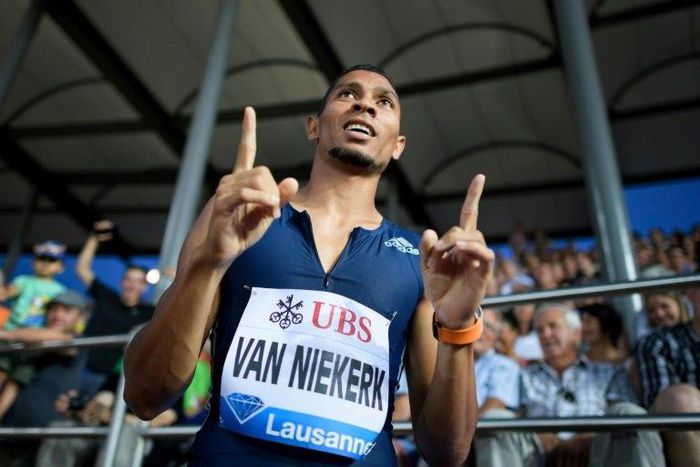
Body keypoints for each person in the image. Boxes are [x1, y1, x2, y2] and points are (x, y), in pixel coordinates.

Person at [124, 65, 494, 466]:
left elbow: (448, 453)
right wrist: (205, 266)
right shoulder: (244, 215)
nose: (365, 105)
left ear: (398, 144)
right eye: (348, 95)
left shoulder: (419, 257)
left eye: (383, 102)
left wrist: (459, 330)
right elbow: (145, 397)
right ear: (313, 126)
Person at [476, 302, 664, 467]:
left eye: (552, 326)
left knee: (629, 414)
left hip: (596, 451)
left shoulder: (609, 373)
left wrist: (585, 438)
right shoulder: (524, 376)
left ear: (576, 333)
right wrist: (542, 435)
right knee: (496, 419)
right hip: (539, 454)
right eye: (539, 330)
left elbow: (621, 410)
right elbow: (516, 415)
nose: (545, 334)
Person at [0, 291, 90, 467]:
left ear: (80, 318)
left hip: (43, 442)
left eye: (67, 310)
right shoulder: (32, 346)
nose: (58, 314)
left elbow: (58, 338)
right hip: (8, 434)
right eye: (53, 309)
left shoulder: (78, 343)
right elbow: (13, 384)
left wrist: (5, 334)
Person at [76, 220, 154, 394]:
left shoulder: (150, 312)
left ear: (145, 287)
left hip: (110, 380)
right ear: (122, 281)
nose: (131, 285)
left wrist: (180, 279)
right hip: (77, 368)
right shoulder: (106, 297)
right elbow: (82, 269)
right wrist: (94, 238)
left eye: (138, 281)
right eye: (128, 279)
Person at [635, 286, 700, 467]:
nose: (659, 314)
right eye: (652, 310)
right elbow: (664, 399)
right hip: (682, 434)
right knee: (680, 399)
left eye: (664, 306)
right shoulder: (658, 342)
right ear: (691, 294)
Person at [0, 240, 66, 330]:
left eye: (51, 260)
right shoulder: (23, 280)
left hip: (40, 335)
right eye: (41, 259)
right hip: (12, 331)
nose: (45, 264)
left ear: (61, 267)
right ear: (33, 262)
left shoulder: (61, 290)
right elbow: (6, 293)